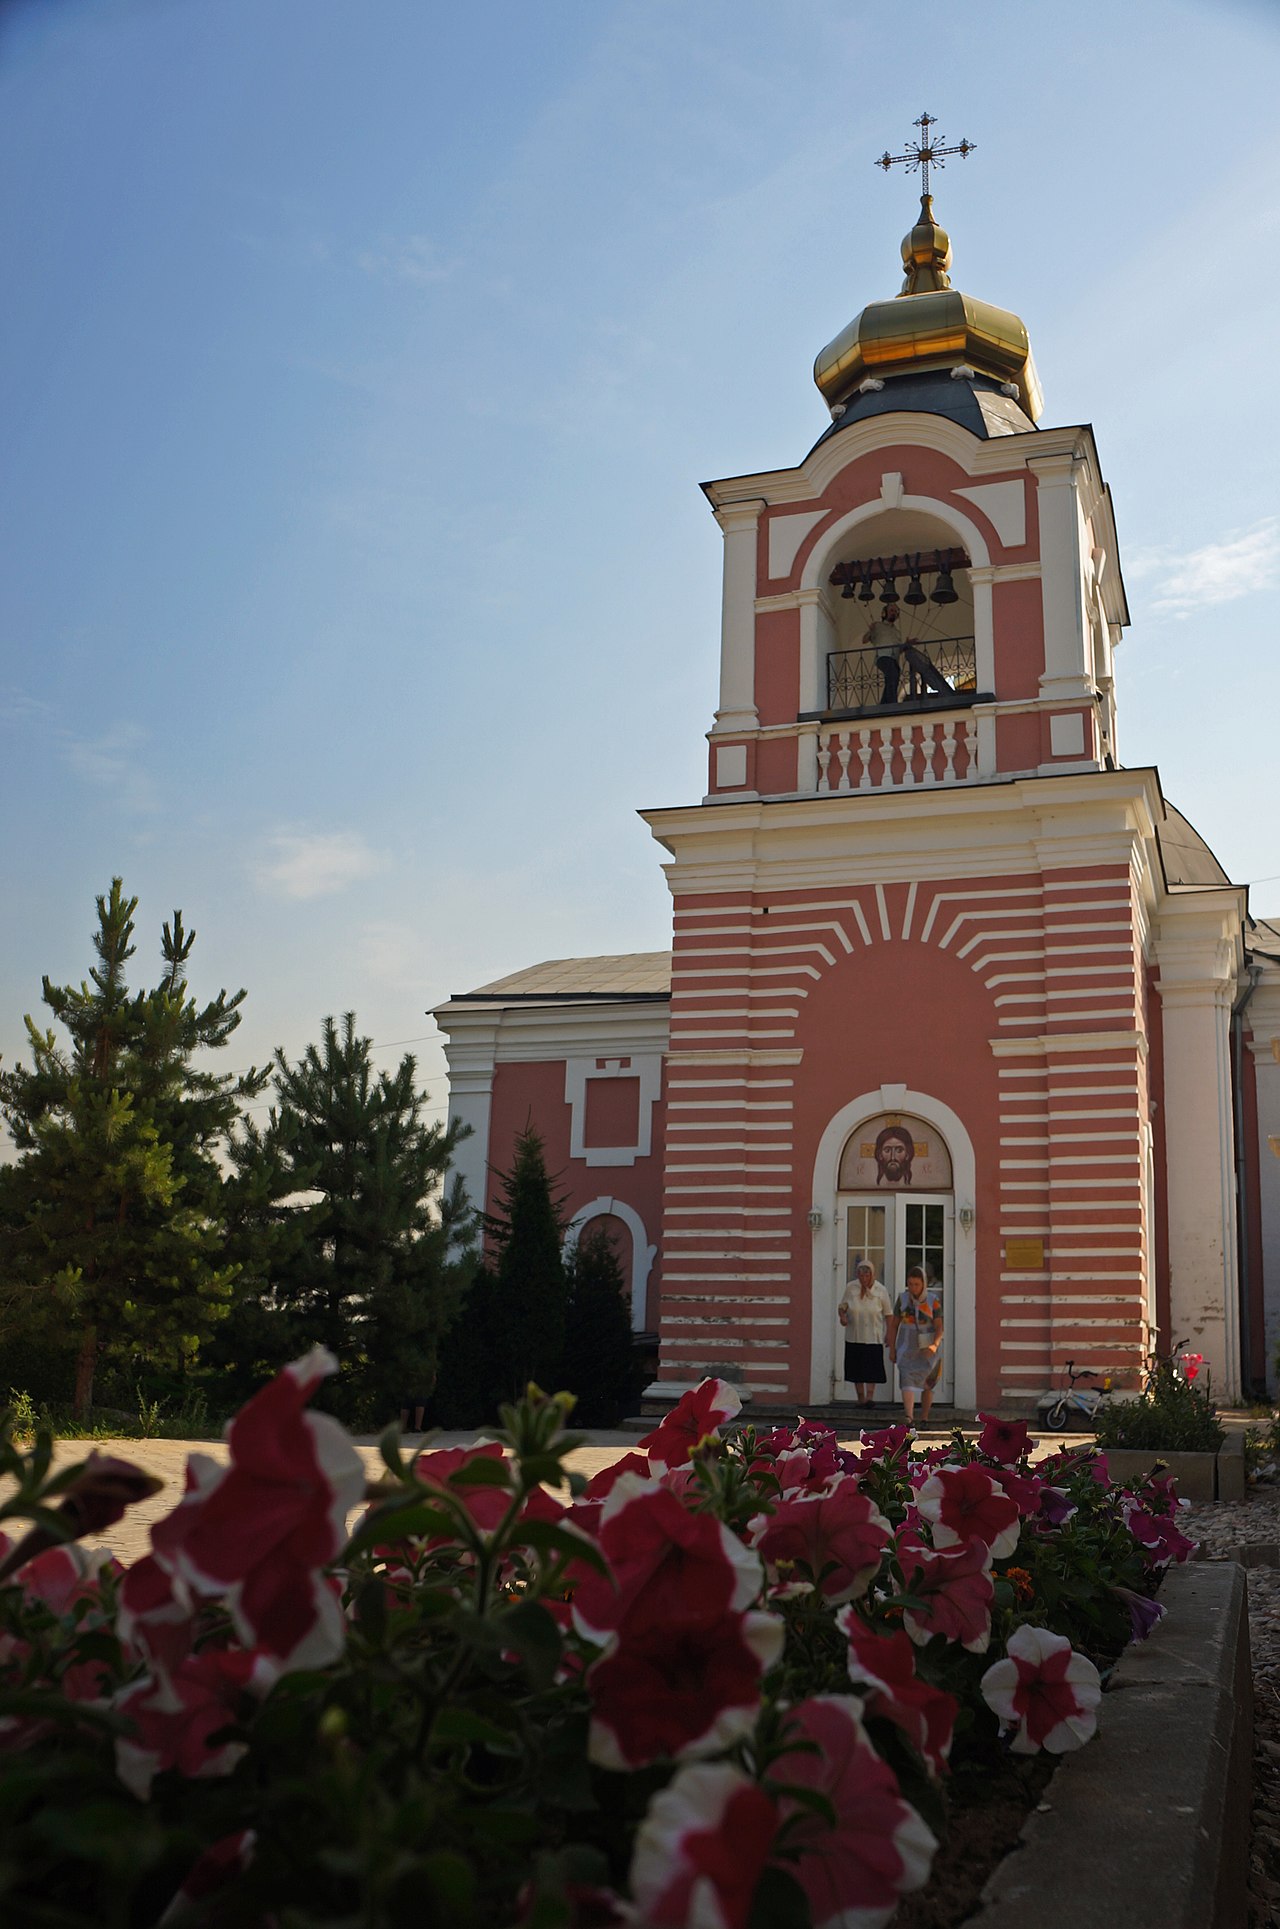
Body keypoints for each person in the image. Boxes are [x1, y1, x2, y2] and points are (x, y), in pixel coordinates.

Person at [888, 1264, 944, 1425]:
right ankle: (909, 1417)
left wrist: (935, 1344)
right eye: (910, 1284)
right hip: (907, 1346)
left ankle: (924, 1417)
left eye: (917, 1284)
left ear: (923, 1284)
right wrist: (892, 1348)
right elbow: (894, 1325)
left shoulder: (933, 1301)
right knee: (907, 1378)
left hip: (927, 1346)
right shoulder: (903, 1299)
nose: (913, 1288)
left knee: (928, 1382)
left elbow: (939, 1326)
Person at [865, 604, 952, 704]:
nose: (893, 612)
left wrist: (907, 644)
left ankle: (884, 704)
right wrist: (870, 630)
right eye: (891, 610)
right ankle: (891, 703)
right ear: (884, 613)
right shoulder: (877, 626)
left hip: (894, 659)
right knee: (893, 674)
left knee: (893, 677)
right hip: (883, 657)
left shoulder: (896, 632)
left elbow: (899, 649)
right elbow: (865, 640)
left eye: (895, 611)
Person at [837, 1259, 893, 1406]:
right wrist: (842, 1317)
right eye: (861, 1276)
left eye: (867, 1276)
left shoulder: (881, 1290)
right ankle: (860, 1398)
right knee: (857, 1368)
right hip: (854, 1334)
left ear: (872, 1275)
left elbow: (888, 1314)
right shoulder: (851, 1288)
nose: (864, 1279)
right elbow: (842, 1306)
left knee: (871, 1367)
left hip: (873, 1335)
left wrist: (889, 1333)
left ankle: (869, 1398)